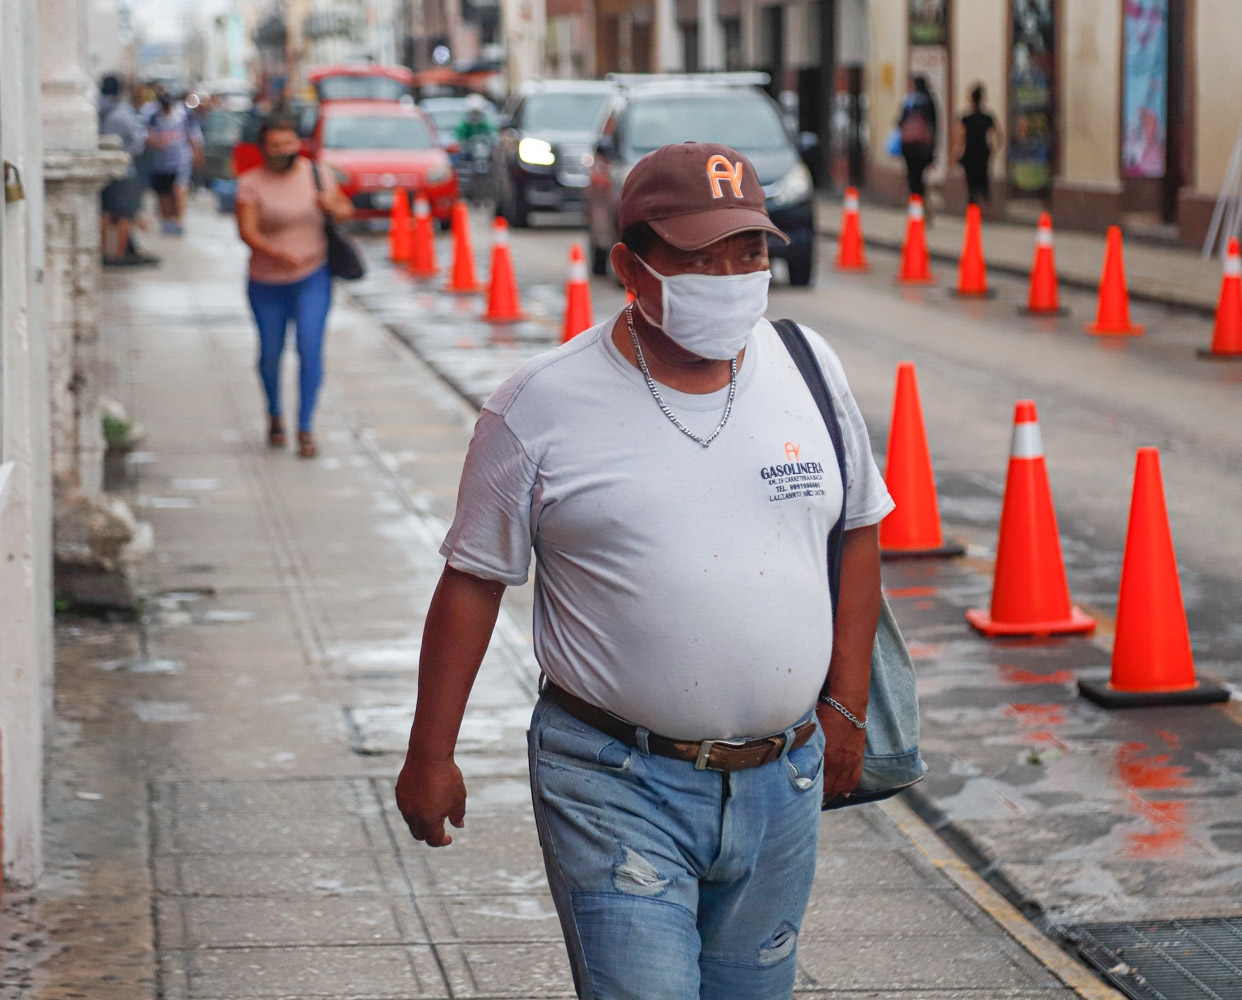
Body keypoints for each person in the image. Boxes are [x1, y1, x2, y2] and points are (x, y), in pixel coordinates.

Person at [395, 141, 893, 997]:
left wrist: (847, 705)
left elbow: (857, 533)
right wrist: (429, 754)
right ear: (629, 264)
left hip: (783, 781)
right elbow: (474, 581)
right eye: (700, 258)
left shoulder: (807, 368)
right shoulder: (539, 406)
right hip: (615, 781)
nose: (732, 276)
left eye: (748, 253)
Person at [235, 116, 353, 459]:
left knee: (310, 347)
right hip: (266, 281)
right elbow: (247, 230)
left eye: (289, 144)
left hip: (313, 275)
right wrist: (276, 253)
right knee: (271, 353)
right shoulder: (251, 183)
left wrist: (335, 208)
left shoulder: (317, 174)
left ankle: (305, 427)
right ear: (262, 149)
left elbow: (345, 209)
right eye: (275, 146)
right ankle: (274, 412)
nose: (284, 151)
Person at [98, 74, 157, 267]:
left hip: (102, 166)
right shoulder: (123, 113)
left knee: (105, 213)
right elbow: (137, 143)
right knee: (124, 214)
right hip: (124, 168)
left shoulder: (97, 109)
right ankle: (118, 254)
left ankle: (103, 251)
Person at [142, 86, 204, 235]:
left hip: (181, 160)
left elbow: (194, 135)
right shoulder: (153, 115)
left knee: (179, 190)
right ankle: (168, 220)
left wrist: (197, 153)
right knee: (163, 193)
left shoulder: (184, 114)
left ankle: (179, 220)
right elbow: (145, 135)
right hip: (161, 162)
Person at [897, 75, 939, 209]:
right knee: (920, 175)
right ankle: (922, 201)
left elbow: (900, 122)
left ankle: (915, 202)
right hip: (924, 146)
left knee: (911, 175)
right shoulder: (929, 101)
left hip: (908, 145)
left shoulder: (909, 101)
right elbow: (934, 125)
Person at [956, 83, 999, 208]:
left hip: (970, 152)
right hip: (983, 152)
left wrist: (955, 153)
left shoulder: (966, 118)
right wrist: (994, 148)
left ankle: (973, 208)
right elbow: (998, 134)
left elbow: (960, 138)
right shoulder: (987, 118)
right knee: (983, 178)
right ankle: (986, 205)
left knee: (971, 182)